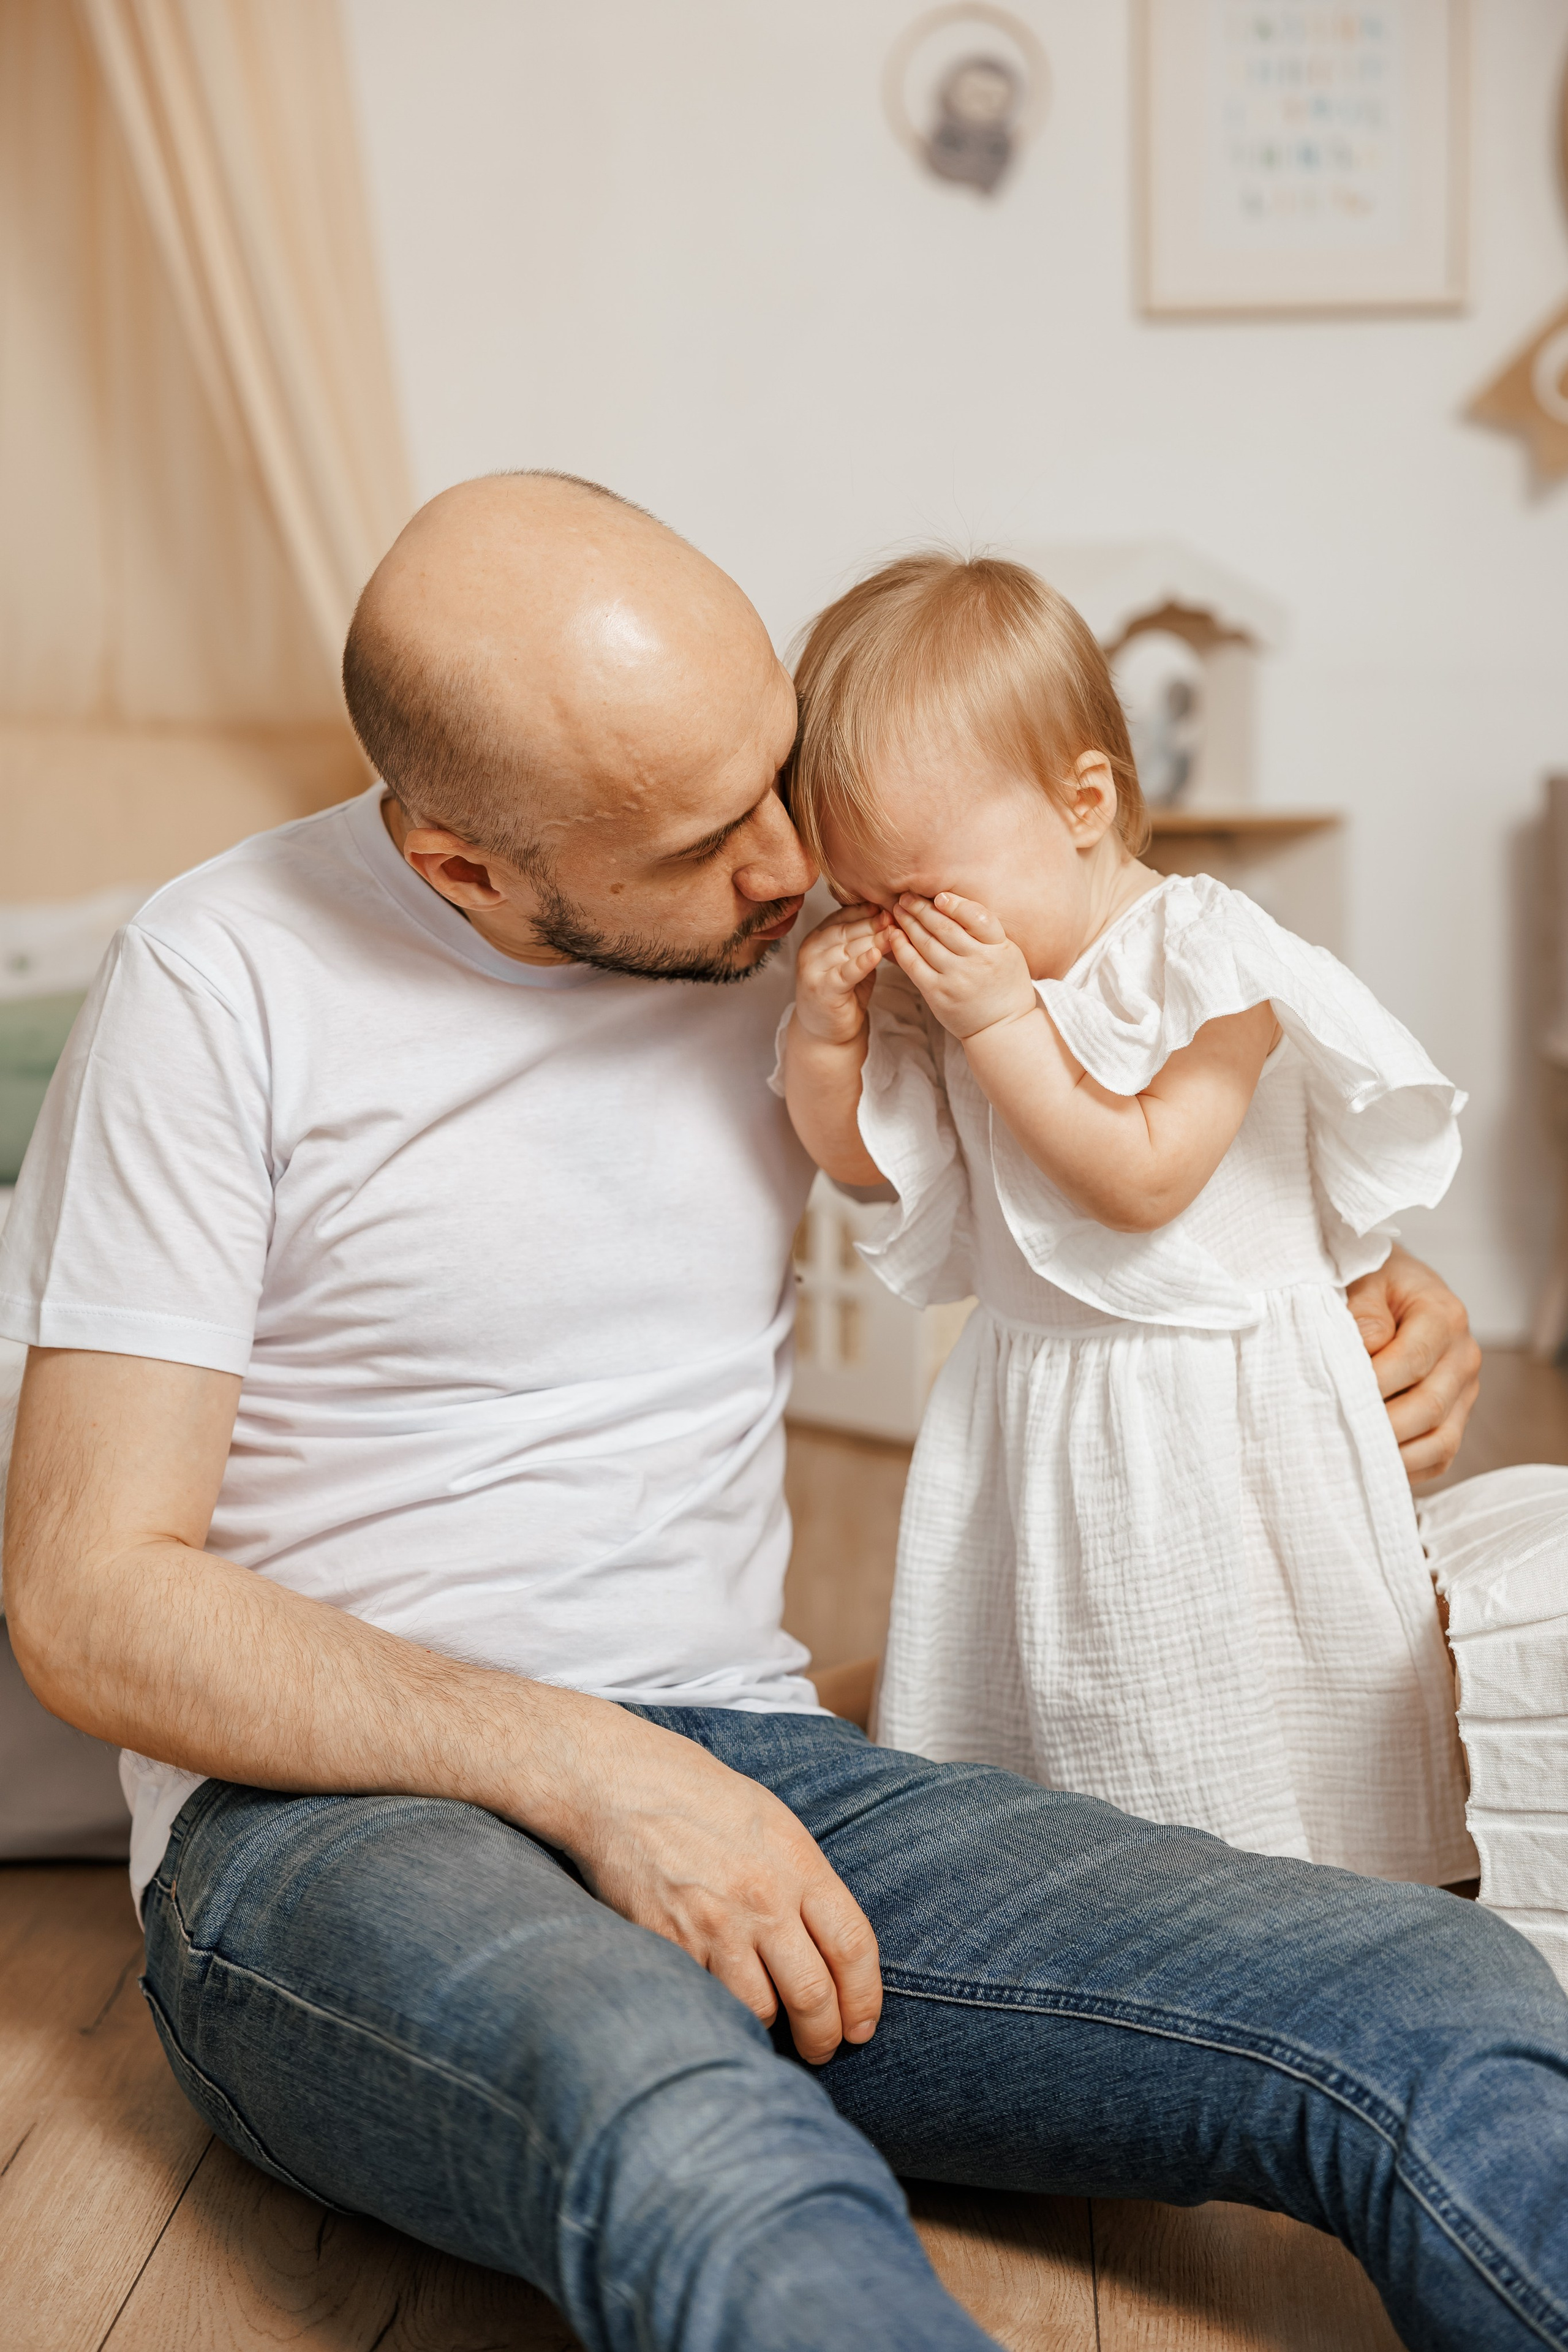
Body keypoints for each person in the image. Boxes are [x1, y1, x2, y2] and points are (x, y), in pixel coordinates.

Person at [2, 473, 1565, 2352]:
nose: (781, 863)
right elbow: (88, 1596)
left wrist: (1378, 1305)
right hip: (327, 1826)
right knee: (703, 2138)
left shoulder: (810, 923)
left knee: (1439, 1996)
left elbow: (1135, 1133)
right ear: (462, 868)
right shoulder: (220, 977)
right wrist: (586, 1765)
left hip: (759, 1770)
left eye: (776, 778)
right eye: (697, 840)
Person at [779, 550, 1479, 1898]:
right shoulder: (964, 987)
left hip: (1216, 1408)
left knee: (1253, 1700)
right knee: (1057, 1694)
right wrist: (826, 1034)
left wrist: (999, 1025)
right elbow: (861, 1163)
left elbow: (1143, 1175)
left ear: (1081, 801)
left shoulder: (1205, 957)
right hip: (1038, 1402)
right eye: (863, 901)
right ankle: (1077, 1903)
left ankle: (1310, 1899)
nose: (899, 934)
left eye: (920, 891)